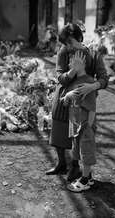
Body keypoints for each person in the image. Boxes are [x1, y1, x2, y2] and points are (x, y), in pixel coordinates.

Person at [46, 23, 108, 182]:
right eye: (65, 43)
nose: (68, 46)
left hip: (84, 100)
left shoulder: (94, 54)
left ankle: (80, 169)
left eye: (70, 42)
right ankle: (61, 163)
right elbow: (60, 77)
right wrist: (73, 70)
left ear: (79, 37)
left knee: (83, 134)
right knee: (59, 129)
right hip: (64, 95)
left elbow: (104, 79)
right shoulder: (63, 52)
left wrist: (92, 86)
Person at [61, 51, 97, 192]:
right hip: (76, 123)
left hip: (84, 125)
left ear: (81, 62)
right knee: (80, 151)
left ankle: (85, 180)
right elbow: (70, 100)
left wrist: (88, 126)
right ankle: (88, 176)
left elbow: (92, 108)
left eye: (72, 61)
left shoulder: (88, 82)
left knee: (86, 151)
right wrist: (66, 99)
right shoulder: (75, 81)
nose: (69, 64)